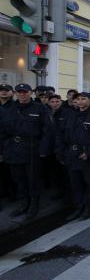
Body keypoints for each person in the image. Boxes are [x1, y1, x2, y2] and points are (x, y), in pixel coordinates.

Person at [0, 83, 53, 220]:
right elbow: (2, 131)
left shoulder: (40, 108)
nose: (22, 94)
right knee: (18, 178)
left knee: (33, 178)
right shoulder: (8, 109)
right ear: (15, 93)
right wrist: (3, 149)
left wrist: (43, 149)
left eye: (25, 92)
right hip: (13, 148)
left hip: (32, 148)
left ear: (30, 93)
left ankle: (34, 204)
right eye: (20, 92)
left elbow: (47, 131)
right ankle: (24, 203)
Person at [56, 92, 90, 221]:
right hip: (72, 154)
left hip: (87, 155)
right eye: (78, 99)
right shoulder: (70, 116)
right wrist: (61, 152)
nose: (81, 101)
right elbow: (60, 135)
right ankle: (79, 208)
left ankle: (89, 208)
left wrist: (89, 152)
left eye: (84, 99)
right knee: (75, 184)